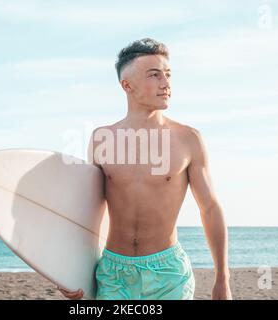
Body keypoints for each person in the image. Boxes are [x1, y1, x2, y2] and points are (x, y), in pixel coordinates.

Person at [58, 38, 232, 300]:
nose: (166, 83)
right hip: (113, 272)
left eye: (168, 74)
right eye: (154, 75)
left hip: (169, 273)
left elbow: (209, 208)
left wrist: (222, 279)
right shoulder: (101, 139)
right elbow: (92, 212)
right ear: (127, 85)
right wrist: (74, 272)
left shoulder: (188, 139)